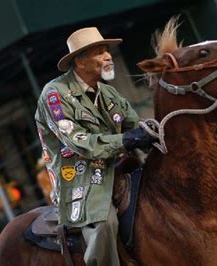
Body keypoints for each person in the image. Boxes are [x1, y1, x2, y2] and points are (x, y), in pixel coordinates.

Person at [35, 27, 154, 265]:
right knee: (104, 224)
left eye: (107, 51)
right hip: (79, 178)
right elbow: (78, 142)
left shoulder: (108, 93)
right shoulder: (54, 95)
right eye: (99, 52)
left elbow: (136, 126)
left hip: (117, 168)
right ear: (79, 60)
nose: (108, 56)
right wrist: (126, 140)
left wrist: (156, 135)